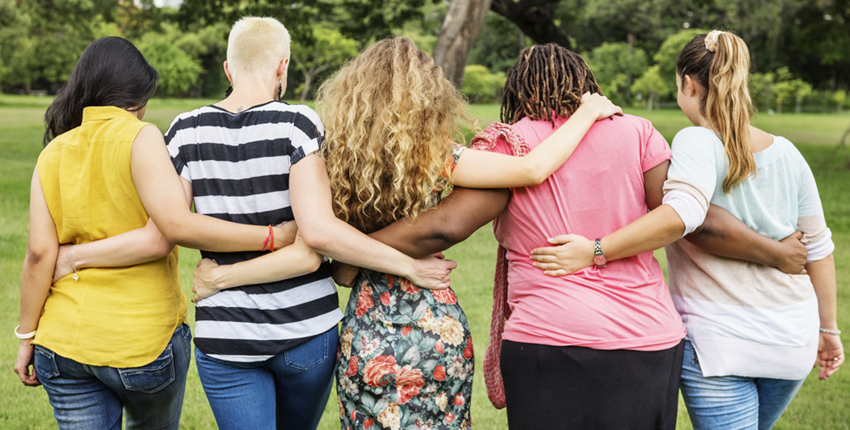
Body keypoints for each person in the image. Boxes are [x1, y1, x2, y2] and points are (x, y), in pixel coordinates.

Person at [40, 19, 456, 430]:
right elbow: (317, 237)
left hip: (225, 338)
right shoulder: (299, 125)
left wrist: (218, 277)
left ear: (227, 69)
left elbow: (171, 226)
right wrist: (408, 265)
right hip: (306, 332)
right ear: (282, 66)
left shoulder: (183, 131)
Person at [530, 32, 843, 429]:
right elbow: (819, 249)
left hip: (719, 344)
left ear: (688, 84)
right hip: (792, 340)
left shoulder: (696, 140)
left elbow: (684, 213)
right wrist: (829, 329)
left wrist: (596, 249)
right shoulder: (788, 152)